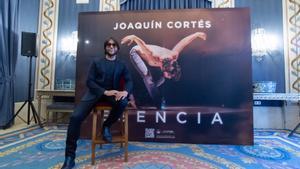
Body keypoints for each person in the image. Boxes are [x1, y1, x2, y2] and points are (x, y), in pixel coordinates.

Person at [61, 37, 133, 169]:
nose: (111, 47)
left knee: (123, 103)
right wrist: (105, 92)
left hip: (113, 95)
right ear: (105, 47)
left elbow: (129, 81)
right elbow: (90, 82)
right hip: (95, 94)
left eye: (114, 45)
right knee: (75, 117)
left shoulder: (122, 64)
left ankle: (106, 125)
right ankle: (70, 158)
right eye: (108, 45)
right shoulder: (96, 62)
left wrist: (126, 92)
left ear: (117, 48)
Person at [121, 32, 206, 109]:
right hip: (136, 53)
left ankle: (137, 98)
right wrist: (134, 37)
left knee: (161, 80)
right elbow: (143, 45)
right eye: (169, 75)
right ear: (163, 67)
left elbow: (183, 43)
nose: (169, 77)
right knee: (148, 78)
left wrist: (196, 34)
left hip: (150, 60)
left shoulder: (174, 56)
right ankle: (159, 102)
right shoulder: (154, 55)